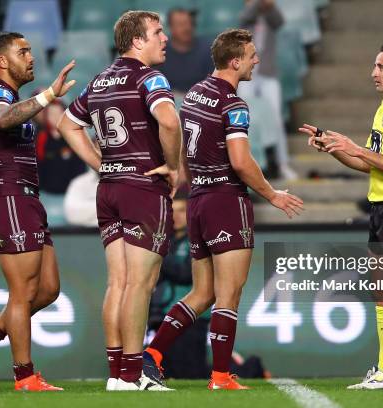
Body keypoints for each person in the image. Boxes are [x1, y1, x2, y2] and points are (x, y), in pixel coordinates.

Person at [143, 28, 304, 391]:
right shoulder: (233, 104)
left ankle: (151, 356)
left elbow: (184, 145)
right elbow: (241, 162)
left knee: (203, 293)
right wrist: (271, 194)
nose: (256, 61)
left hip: (198, 199)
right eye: (251, 55)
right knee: (229, 293)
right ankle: (220, 375)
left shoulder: (196, 93)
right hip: (226, 200)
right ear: (235, 62)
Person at [57, 11, 181, 391]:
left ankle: (117, 375)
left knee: (119, 283)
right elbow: (171, 121)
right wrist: (173, 166)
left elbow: (66, 124)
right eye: (157, 32)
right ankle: (133, 373)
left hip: (108, 188)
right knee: (140, 285)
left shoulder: (99, 81)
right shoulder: (150, 77)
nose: (165, 38)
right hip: (142, 187)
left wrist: (101, 163)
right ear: (137, 41)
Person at [300, 43, 383, 390]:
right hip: (381, 208)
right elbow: (366, 163)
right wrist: (336, 149)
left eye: (380, 66)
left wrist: (357, 148)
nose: (373, 73)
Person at [0, 32, 76, 392]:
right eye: (22, 52)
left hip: (26, 201)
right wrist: (48, 96)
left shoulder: (12, 95)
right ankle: (25, 377)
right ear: (3, 61)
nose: (31, 57)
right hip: (8, 198)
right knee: (22, 293)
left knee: (49, 289)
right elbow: (2, 118)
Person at [147, 192, 211, 379]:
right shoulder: (168, 240)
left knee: (190, 371)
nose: (177, 215)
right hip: (162, 315)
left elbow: (185, 273)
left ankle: (249, 369)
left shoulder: (198, 238)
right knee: (167, 371)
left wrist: (159, 254)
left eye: (183, 210)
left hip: (191, 317)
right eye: (172, 211)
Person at [239, 0, 297, 180]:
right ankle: (243, 163)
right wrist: (257, 4)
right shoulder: (247, 15)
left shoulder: (271, 15)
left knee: (276, 119)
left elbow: (279, 22)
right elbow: (245, 20)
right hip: (247, 74)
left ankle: (282, 164)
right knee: (242, 117)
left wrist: (269, 5)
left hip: (268, 74)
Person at [158, 8, 213, 96]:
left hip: (201, 102)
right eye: (181, 24)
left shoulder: (208, 50)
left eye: (190, 23)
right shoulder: (159, 51)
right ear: (171, 27)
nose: (187, 28)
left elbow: (213, 86)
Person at [36, 100, 86, 194]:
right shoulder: (40, 137)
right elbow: (38, 166)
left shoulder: (74, 136)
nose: (55, 117)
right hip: (47, 192)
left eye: (58, 113)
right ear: (46, 117)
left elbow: (80, 167)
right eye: (51, 114)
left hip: (71, 192)